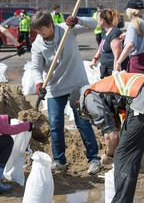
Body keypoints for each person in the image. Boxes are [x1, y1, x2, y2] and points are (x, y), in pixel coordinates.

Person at [69, 72, 144, 203]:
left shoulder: (89, 95)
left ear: (79, 102)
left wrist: (109, 155)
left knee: (124, 156)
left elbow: (112, 136)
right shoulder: (105, 89)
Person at [30, 11, 101, 175]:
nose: (39, 34)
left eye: (41, 30)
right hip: (55, 88)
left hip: (77, 84)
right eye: (37, 32)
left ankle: (93, 159)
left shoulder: (68, 29)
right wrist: (39, 83)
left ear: (50, 25)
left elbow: (93, 24)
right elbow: (35, 67)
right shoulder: (38, 44)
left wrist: (77, 20)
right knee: (55, 125)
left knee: (83, 122)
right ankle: (59, 161)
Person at [114, 0, 144, 76]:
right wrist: (128, 34)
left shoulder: (132, 25)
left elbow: (129, 45)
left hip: (139, 63)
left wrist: (118, 62)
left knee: (139, 87)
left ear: (129, 11)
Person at [89, 9, 127, 79]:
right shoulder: (104, 32)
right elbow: (101, 47)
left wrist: (116, 72)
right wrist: (94, 60)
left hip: (112, 70)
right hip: (105, 69)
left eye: (98, 19)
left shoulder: (115, 33)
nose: (97, 21)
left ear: (103, 20)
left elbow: (117, 56)